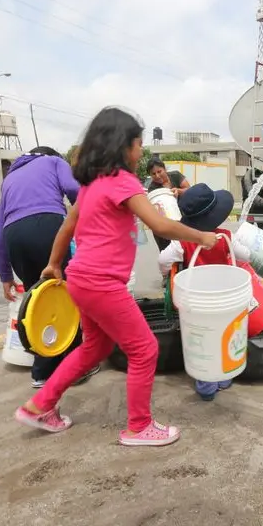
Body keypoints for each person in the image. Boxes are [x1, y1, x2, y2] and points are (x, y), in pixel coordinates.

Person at [13, 106, 218, 446]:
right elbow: (159, 224)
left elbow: (67, 226)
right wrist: (201, 236)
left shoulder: (92, 185)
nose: (141, 151)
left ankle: (40, 405)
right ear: (123, 146)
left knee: (95, 347)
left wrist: (54, 264)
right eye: (138, 144)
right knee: (144, 349)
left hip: (80, 279)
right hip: (101, 282)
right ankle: (139, 426)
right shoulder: (123, 182)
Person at [0, 146, 96, 388]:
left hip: (13, 237)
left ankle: (42, 373)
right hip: (48, 226)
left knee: (39, 303)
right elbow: (75, 191)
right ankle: (74, 368)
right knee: (67, 297)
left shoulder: (9, 180)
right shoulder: (52, 162)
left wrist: (5, 276)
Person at [157, 183, 252, 400]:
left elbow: (162, 260)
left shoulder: (183, 242)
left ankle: (206, 384)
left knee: (201, 337)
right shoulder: (225, 236)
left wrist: (167, 273)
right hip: (224, 298)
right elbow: (245, 255)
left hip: (196, 300)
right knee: (223, 334)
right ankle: (223, 376)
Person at [146, 158, 192, 251]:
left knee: (186, 249)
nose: (157, 176)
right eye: (153, 174)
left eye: (159, 171)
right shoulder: (152, 188)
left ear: (165, 169)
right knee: (168, 253)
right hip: (165, 225)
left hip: (183, 219)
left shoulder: (176, 176)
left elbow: (189, 190)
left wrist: (179, 191)